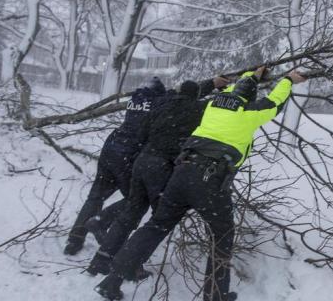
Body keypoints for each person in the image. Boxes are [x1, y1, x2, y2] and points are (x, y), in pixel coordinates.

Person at [96, 67, 308, 301]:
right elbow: (274, 102)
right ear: (248, 100)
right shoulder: (249, 113)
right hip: (210, 180)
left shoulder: (213, 105)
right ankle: (215, 296)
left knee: (156, 225)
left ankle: (113, 280)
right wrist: (289, 80)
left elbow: (231, 91)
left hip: (181, 173)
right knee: (222, 235)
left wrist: (253, 76)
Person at [85, 76, 229, 279]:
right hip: (161, 168)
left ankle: (101, 260)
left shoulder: (163, 102)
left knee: (132, 211)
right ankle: (131, 265)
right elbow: (218, 105)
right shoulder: (198, 110)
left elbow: (147, 128)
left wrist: (212, 83)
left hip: (141, 162)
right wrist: (226, 89)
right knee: (158, 222)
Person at [63, 77, 166, 255]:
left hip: (111, 147)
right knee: (136, 198)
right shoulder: (159, 103)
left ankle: (75, 239)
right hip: (128, 153)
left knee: (95, 196)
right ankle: (100, 221)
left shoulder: (136, 99)